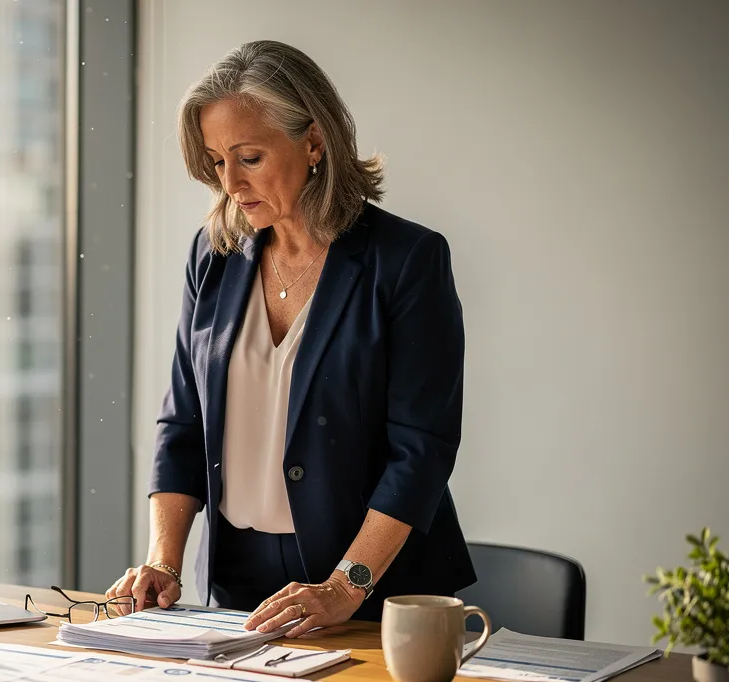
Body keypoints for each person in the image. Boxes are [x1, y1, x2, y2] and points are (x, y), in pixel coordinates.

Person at [105, 40, 476, 638]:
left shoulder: (406, 260)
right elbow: (183, 424)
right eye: (217, 161)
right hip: (238, 587)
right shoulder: (215, 254)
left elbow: (421, 450)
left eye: (248, 157)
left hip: (377, 590)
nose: (230, 183)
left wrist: (343, 585)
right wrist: (163, 561)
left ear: (314, 142)